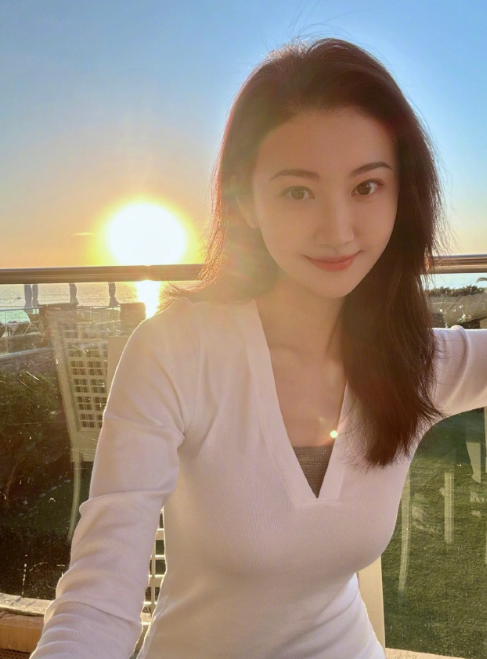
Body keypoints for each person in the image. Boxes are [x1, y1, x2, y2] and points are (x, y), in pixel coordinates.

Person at [31, 37, 487, 659]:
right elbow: (99, 595)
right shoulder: (176, 354)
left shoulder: (415, 364)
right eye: (298, 191)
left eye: (366, 187)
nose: (337, 230)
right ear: (245, 200)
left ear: (401, 194)